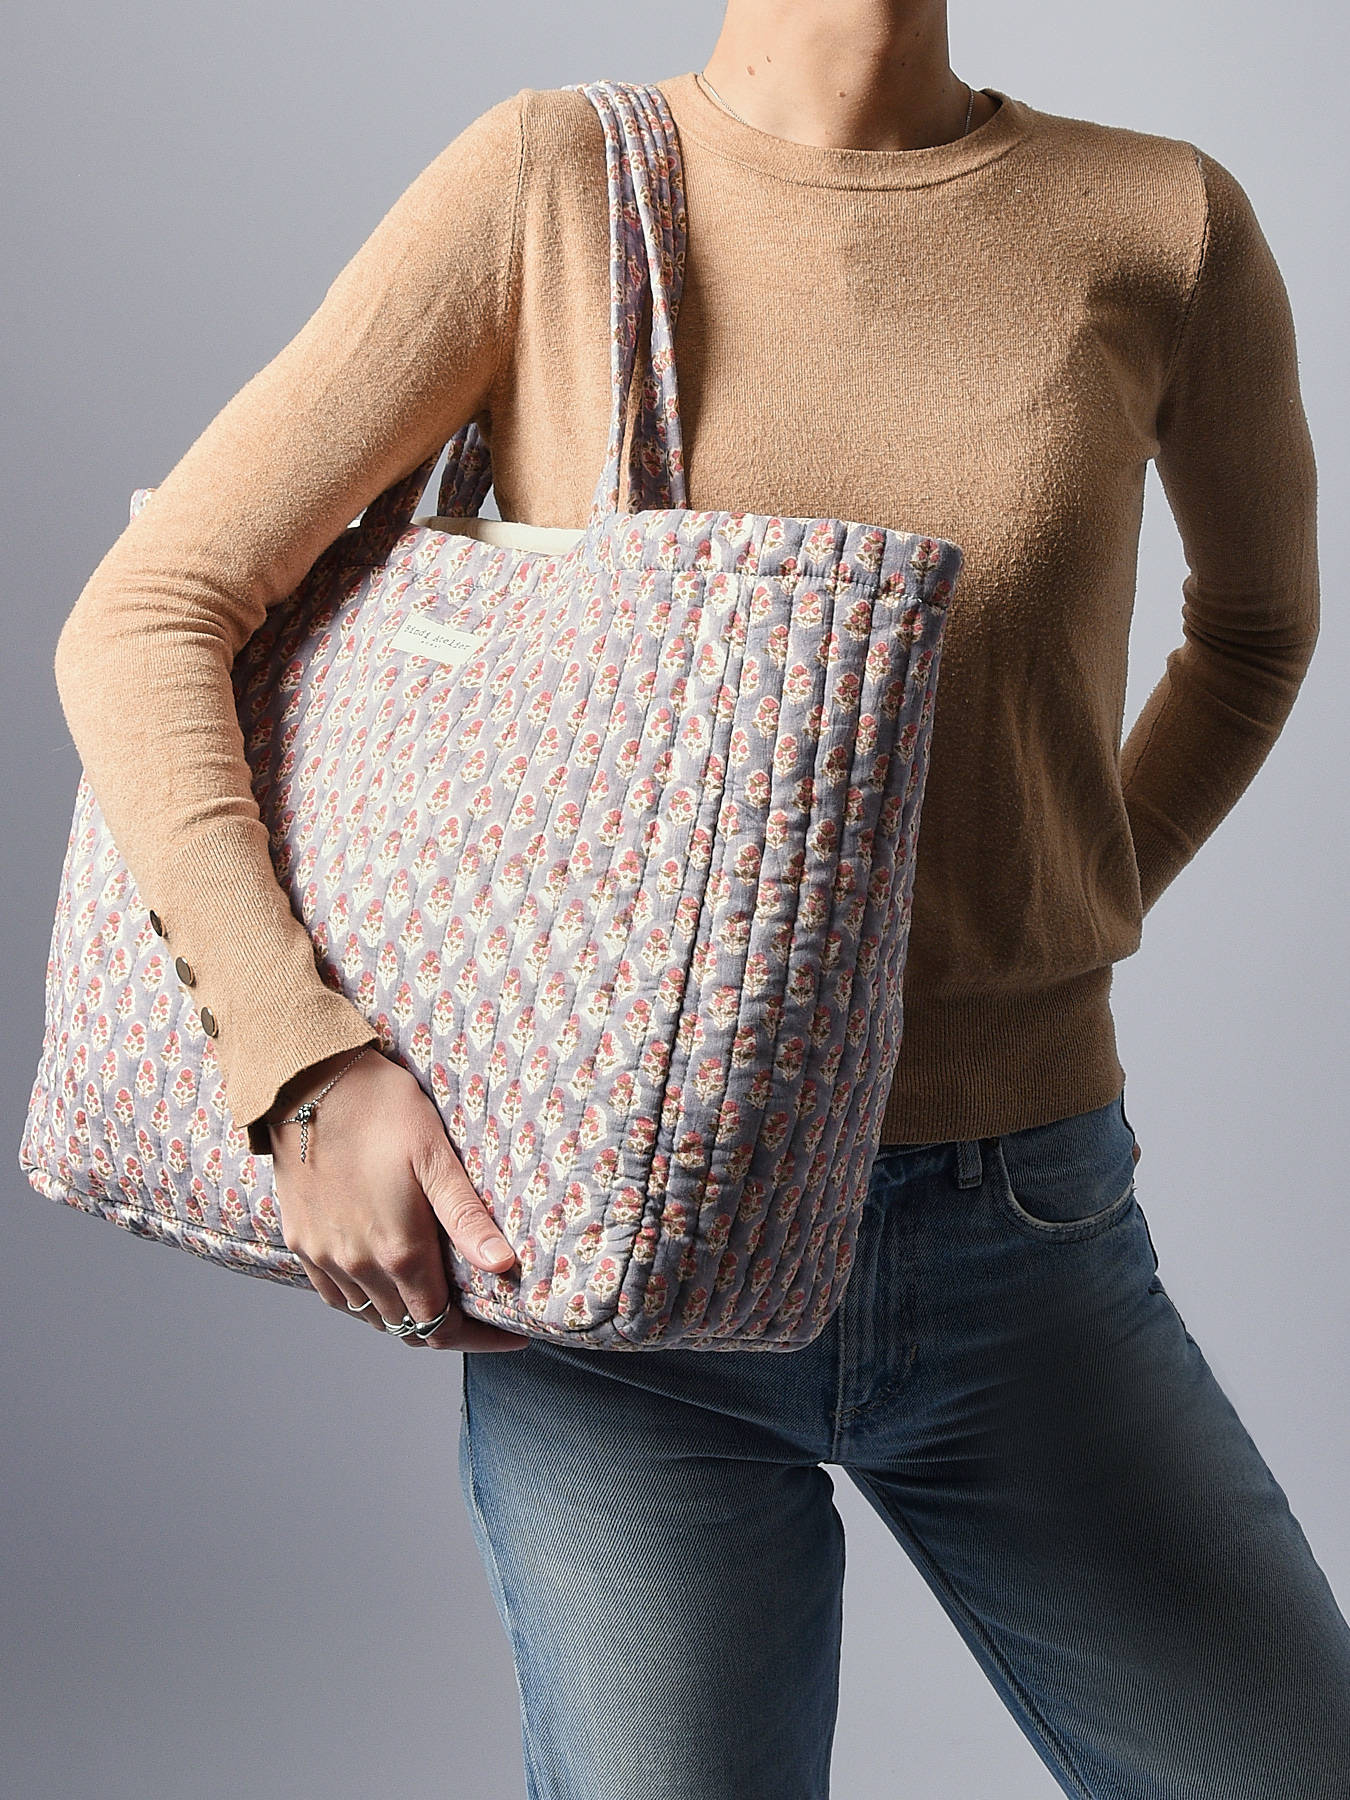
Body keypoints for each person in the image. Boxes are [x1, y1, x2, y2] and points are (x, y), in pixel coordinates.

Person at [51, 0, 1350, 1792]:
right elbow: (147, 612)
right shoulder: (552, 184)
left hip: (1018, 1232)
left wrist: (1053, 913)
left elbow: (1254, 634)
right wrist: (298, 1060)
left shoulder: (1155, 223)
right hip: (613, 1264)